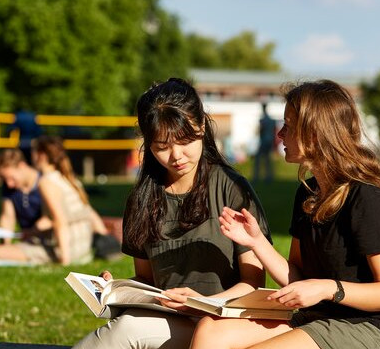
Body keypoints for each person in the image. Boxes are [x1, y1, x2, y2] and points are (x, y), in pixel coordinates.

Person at [190, 80, 380, 349]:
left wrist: (327, 288)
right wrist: (256, 242)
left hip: (372, 328)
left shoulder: (368, 198)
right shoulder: (308, 194)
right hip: (316, 319)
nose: (280, 134)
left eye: (288, 125)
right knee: (210, 331)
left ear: (314, 133)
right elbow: (298, 278)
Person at [73, 78, 271, 349]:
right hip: (173, 318)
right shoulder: (143, 199)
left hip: (226, 323)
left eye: (184, 140)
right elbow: (147, 280)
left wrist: (203, 303)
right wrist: (115, 289)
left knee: (132, 330)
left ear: (201, 126)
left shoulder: (231, 187)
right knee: (125, 328)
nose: (176, 155)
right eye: (162, 147)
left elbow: (253, 283)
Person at [0, 137, 96, 265]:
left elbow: (59, 221)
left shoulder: (46, 182)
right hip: (83, 247)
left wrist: (65, 261)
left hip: (70, 248)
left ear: (40, 155)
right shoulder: (66, 177)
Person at [0, 148, 111, 248]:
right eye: (5, 179)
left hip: (50, 238)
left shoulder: (45, 182)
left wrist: (104, 235)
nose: (9, 183)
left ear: (22, 166)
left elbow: (55, 217)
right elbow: (7, 216)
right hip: (29, 237)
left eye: (11, 178)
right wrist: (6, 242)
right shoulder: (9, 188)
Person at [253, 103, 276, 183]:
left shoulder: (263, 119)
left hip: (264, 141)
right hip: (269, 140)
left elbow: (261, 131)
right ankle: (268, 177)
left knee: (258, 159)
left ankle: (256, 177)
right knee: (267, 159)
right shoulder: (270, 119)